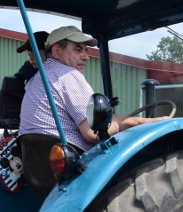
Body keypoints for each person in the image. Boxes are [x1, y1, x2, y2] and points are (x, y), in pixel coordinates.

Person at [19, 25, 166, 151]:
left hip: (38, 165)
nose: (85, 57)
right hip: (74, 163)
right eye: (78, 50)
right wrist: (135, 122)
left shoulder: (38, 78)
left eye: (86, 50)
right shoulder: (68, 75)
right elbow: (93, 132)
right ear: (57, 51)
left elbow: (95, 120)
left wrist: (129, 120)